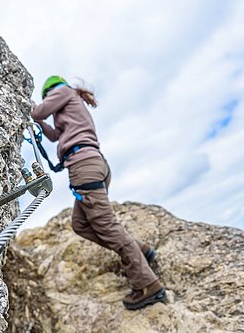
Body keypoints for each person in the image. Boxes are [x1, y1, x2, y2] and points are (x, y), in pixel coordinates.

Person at [31, 75, 166, 310]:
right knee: (80, 224)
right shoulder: (71, 105)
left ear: (51, 92)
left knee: (107, 227)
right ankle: (141, 250)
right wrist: (40, 125)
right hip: (94, 165)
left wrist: (25, 104)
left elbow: (38, 112)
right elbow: (54, 135)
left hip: (85, 168)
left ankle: (147, 285)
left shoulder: (62, 92)